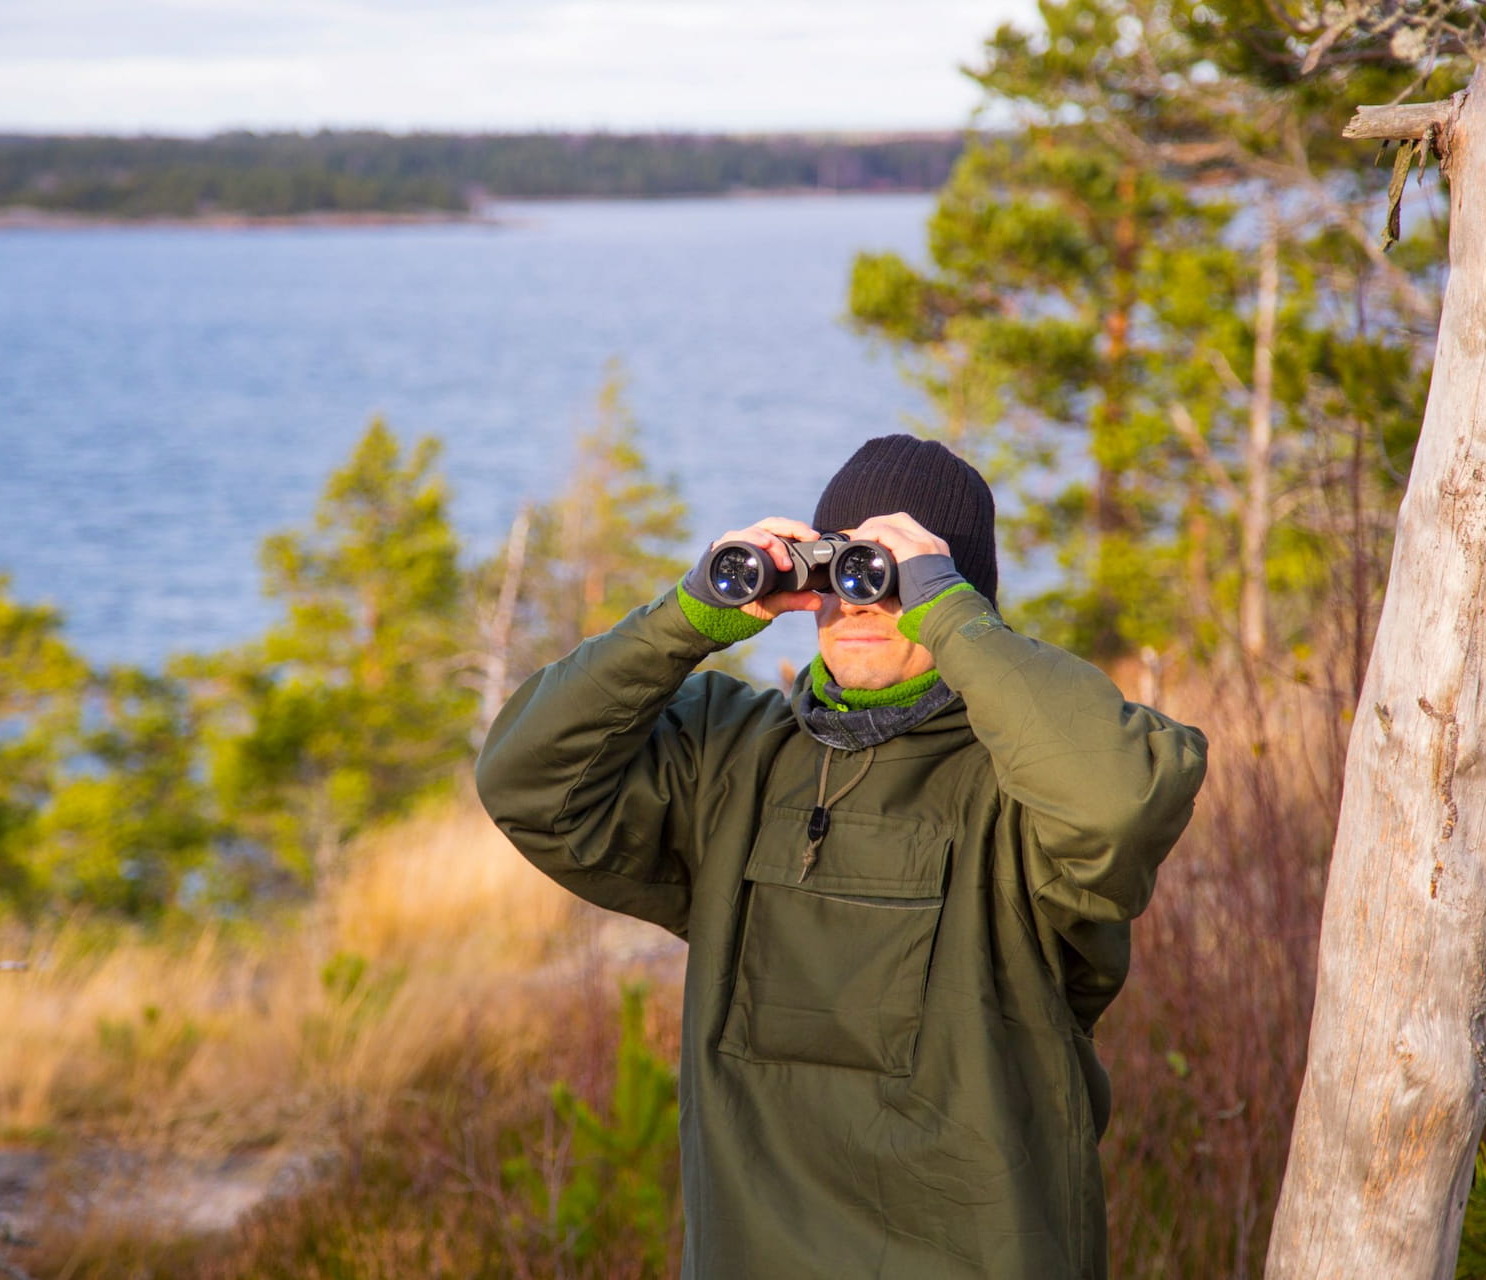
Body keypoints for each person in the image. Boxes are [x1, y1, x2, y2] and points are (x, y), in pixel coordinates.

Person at [476, 434, 1208, 1279]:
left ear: (956, 594)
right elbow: (526, 780)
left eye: (887, 576)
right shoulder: (731, 757)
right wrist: (688, 615)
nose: (856, 602)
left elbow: (1118, 800)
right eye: (838, 573)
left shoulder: (1022, 789)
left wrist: (952, 614)